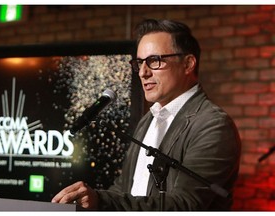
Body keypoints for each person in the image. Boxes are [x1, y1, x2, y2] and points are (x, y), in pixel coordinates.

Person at [51, 18, 241, 211]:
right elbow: (125, 189)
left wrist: (102, 200)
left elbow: (185, 205)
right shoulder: (148, 120)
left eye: (154, 61)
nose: (143, 72)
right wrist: (87, 200)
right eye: (139, 62)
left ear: (188, 64)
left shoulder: (213, 125)